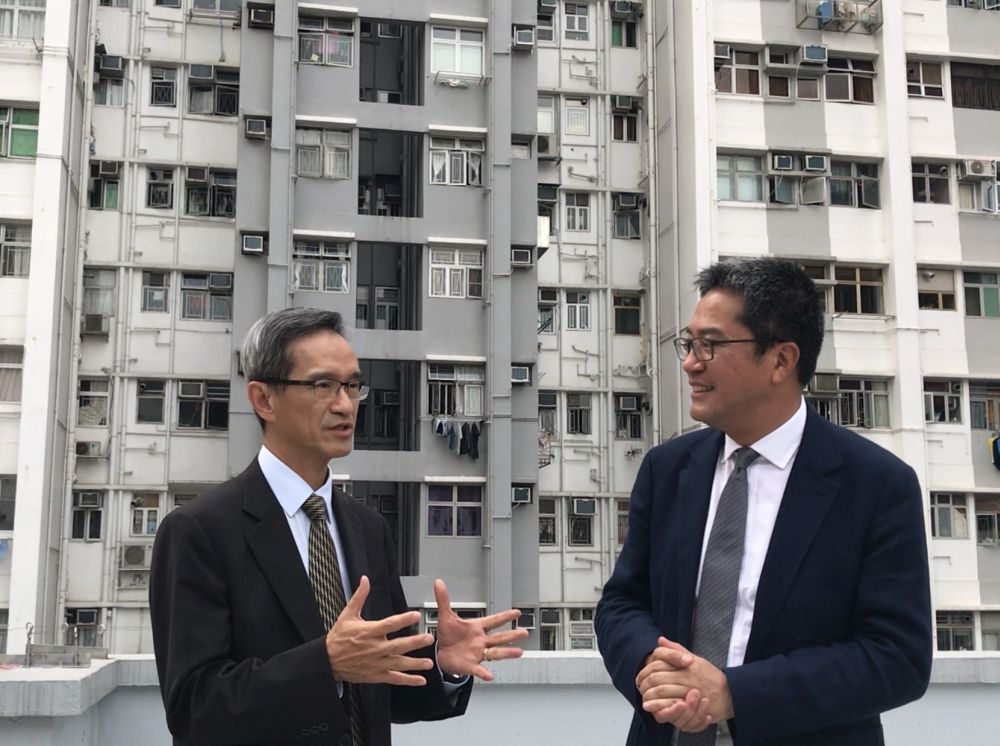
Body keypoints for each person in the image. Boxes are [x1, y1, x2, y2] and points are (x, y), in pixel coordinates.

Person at [150, 307, 527, 746]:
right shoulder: (200, 531)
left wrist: (441, 663)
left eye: (352, 385)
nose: (345, 404)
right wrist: (324, 664)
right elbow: (194, 709)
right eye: (322, 385)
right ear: (263, 399)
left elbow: (383, 692)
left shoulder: (366, 527)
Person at [595, 258, 932, 746]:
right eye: (688, 344)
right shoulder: (668, 470)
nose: (691, 362)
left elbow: (897, 657)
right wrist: (651, 667)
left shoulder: (876, 485)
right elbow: (623, 602)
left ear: (780, 360)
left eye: (710, 345)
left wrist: (735, 693)